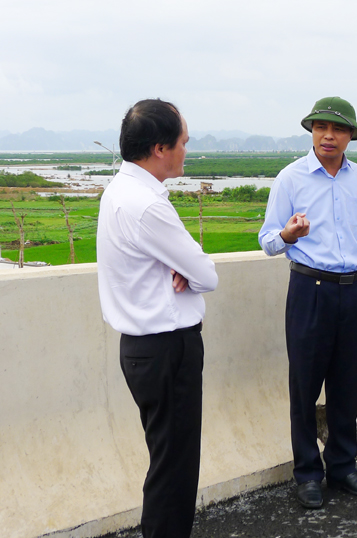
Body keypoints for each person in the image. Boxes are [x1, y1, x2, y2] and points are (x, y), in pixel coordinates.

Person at [96, 99, 219, 538]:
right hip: (168, 349)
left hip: (142, 349)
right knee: (175, 470)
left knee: (166, 460)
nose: (186, 149)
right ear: (160, 148)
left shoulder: (119, 191)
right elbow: (206, 274)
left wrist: (181, 266)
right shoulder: (147, 205)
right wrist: (187, 267)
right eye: (183, 142)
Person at [258, 97, 357, 509]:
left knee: (347, 384)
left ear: (350, 136)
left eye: (337, 129)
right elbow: (267, 241)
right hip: (309, 290)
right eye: (320, 128)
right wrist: (289, 236)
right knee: (305, 385)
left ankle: (344, 467)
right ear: (311, 132)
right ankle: (308, 473)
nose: (328, 136)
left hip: (354, 291)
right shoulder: (291, 177)